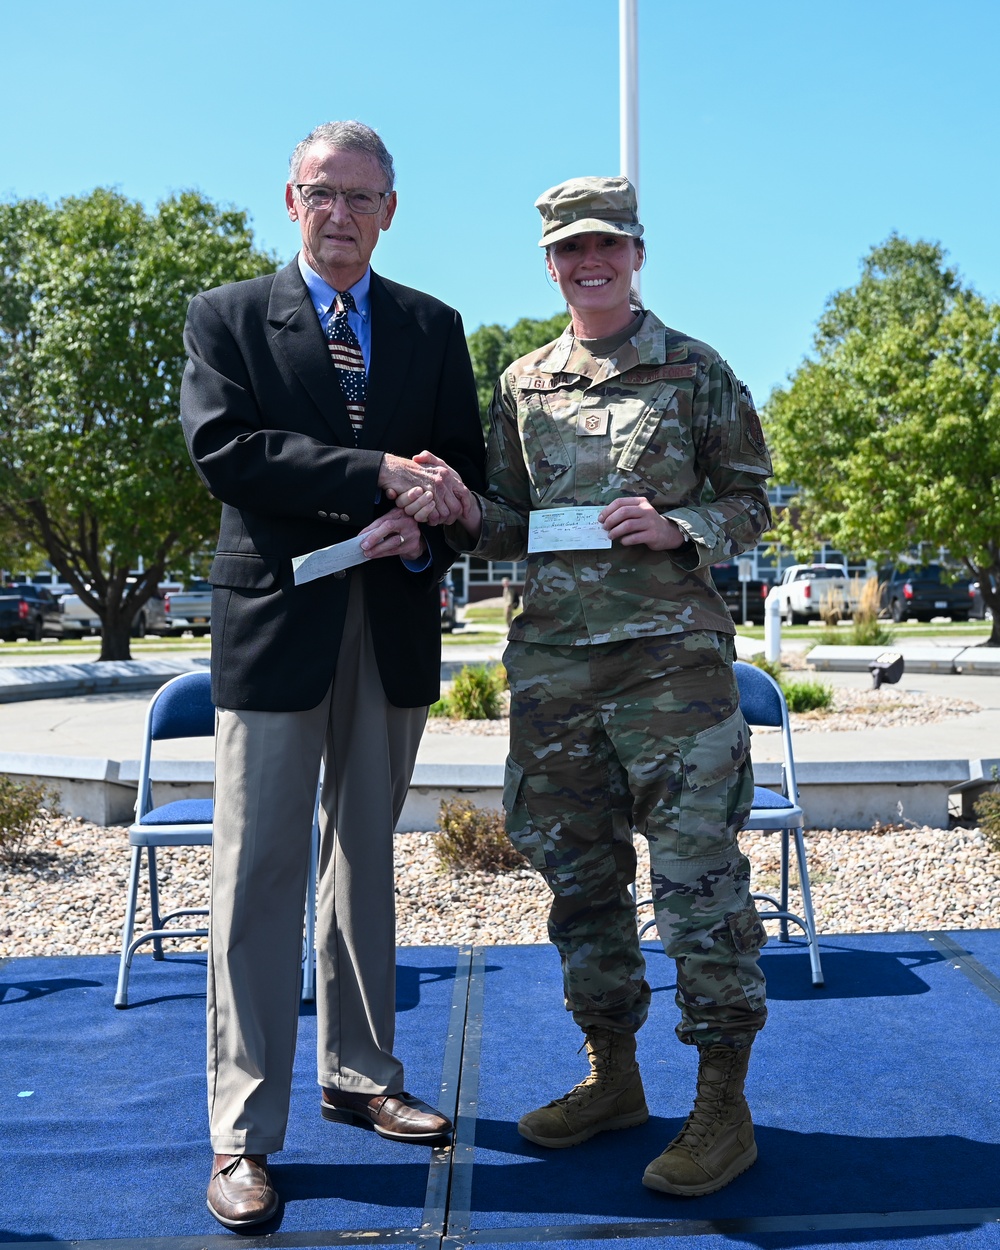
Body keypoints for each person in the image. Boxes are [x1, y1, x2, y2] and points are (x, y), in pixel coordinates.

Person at [401, 176, 773, 1197]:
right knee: (581, 883)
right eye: (568, 249)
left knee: (697, 881)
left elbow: (754, 498)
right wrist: (457, 507)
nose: (587, 262)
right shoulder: (523, 382)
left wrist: (682, 526)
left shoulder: (696, 371)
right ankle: (613, 1073)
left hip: (672, 676)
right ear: (549, 264)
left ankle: (722, 1101)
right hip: (556, 672)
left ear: (636, 252)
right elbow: (512, 517)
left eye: (604, 243)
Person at [179, 121, 485, 1229]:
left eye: (362, 195)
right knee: (257, 875)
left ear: (391, 210)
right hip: (278, 623)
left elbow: (466, 483)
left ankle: (360, 1073)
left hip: (389, 621)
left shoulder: (431, 326)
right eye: (322, 191)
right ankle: (242, 1130)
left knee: (366, 860)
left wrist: (432, 526)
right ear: (290, 199)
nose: (341, 212)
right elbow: (229, 450)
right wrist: (377, 475)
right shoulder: (224, 318)